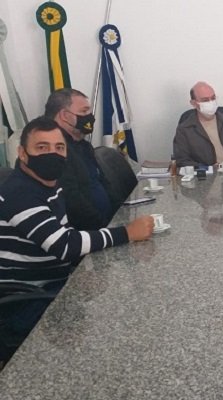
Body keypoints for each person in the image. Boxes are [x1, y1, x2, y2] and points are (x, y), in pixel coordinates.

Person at [0, 117, 154, 337]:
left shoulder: (49, 184)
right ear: (22, 153)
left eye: (59, 147)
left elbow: (63, 234)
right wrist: (127, 233)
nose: (52, 154)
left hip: (52, 283)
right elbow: (64, 245)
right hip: (25, 300)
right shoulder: (19, 192)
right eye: (42, 147)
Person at [45, 88, 122, 230]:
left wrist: (123, 215)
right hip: (90, 231)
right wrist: (107, 230)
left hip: (110, 225)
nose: (90, 117)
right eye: (84, 111)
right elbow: (73, 202)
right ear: (64, 115)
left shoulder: (83, 145)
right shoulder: (55, 152)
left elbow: (103, 182)